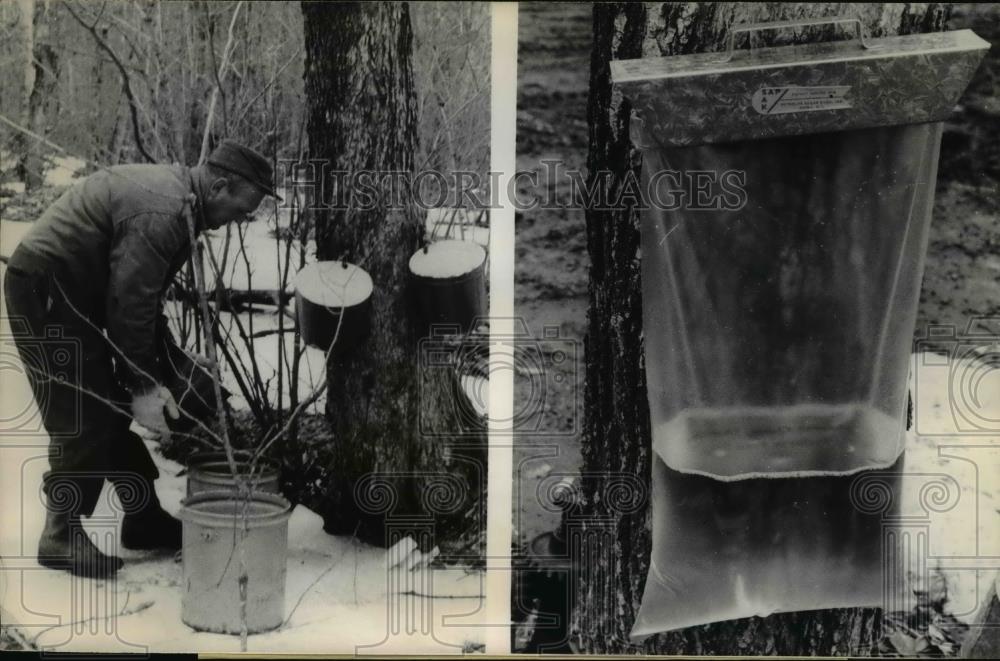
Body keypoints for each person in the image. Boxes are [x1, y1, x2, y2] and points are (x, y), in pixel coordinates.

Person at [3, 140, 277, 578]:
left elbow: (143, 305)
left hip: (78, 291)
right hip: (47, 289)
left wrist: (173, 363)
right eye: (241, 210)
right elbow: (129, 304)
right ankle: (61, 533)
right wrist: (145, 385)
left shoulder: (183, 207)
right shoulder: (163, 212)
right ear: (219, 185)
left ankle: (142, 515)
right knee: (82, 409)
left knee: (107, 407)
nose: (238, 223)